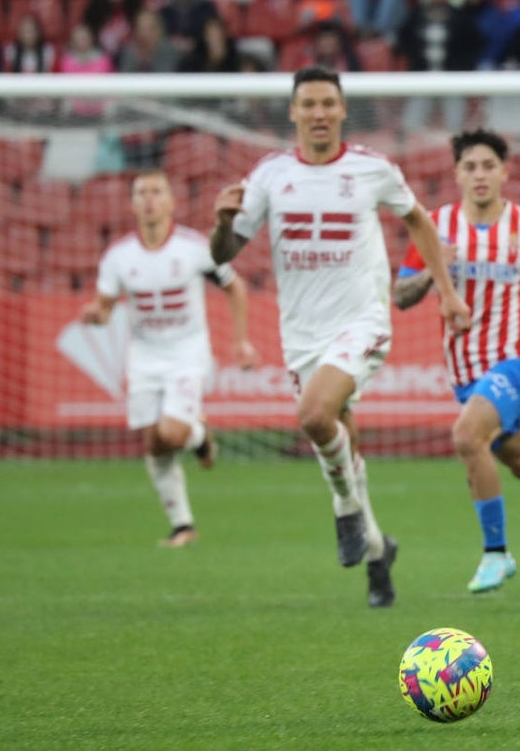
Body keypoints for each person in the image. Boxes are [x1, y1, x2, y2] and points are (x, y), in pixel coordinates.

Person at [208, 65, 470, 608]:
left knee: (313, 416)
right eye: (309, 104)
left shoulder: (372, 169)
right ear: (293, 112)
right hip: (301, 333)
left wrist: (445, 291)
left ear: (343, 109)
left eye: (329, 103)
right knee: (339, 434)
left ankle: (347, 513)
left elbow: (419, 221)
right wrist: (220, 223)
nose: (319, 113)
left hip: (363, 322)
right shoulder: (270, 175)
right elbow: (223, 255)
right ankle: (378, 551)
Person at [393, 129, 520, 593]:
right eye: (470, 167)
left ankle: (496, 553)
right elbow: (401, 296)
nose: (480, 175)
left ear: (506, 172)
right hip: (466, 371)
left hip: (518, 359)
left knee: (467, 436)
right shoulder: (434, 226)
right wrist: (431, 271)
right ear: (456, 175)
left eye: (489, 165)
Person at [80, 171, 259, 546]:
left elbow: (235, 286)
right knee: (155, 444)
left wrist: (241, 342)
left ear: (171, 202)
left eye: (157, 191)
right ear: (132, 204)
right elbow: (105, 307)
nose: (148, 199)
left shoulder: (194, 247)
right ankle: (182, 525)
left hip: (187, 353)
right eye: (141, 193)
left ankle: (196, 434)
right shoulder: (118, 256)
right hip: (144, 355)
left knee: (172, 432)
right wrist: (94, 315)